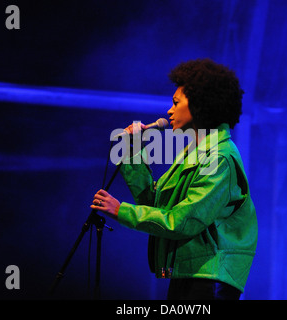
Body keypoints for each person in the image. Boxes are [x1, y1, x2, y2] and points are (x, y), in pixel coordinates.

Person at [90, 58, 258, 300]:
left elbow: (183, 221)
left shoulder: (220, 158)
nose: (169, 110)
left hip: (210, 278)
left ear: (200, 104)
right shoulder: (194, 153)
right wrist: (132, 152)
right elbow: (156, 204)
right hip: (189, 272)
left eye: (176, 102)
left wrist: (121, 211)